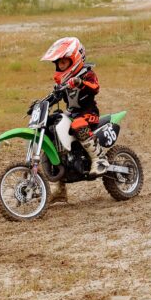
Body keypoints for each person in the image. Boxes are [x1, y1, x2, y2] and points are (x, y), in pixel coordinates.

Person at [40, 37, 108, 203]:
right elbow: (56, 96)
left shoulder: (88, 73)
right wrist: (42, 103)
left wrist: (80, 82)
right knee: (54, 135)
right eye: (58, 64)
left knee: (78, 123)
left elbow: (95, 87)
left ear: (75, 59)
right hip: (72, 114)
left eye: (63, 62)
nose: (60, 66)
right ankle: (61, 189)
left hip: (88, 114)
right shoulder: (64, 81)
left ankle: (99, 158)